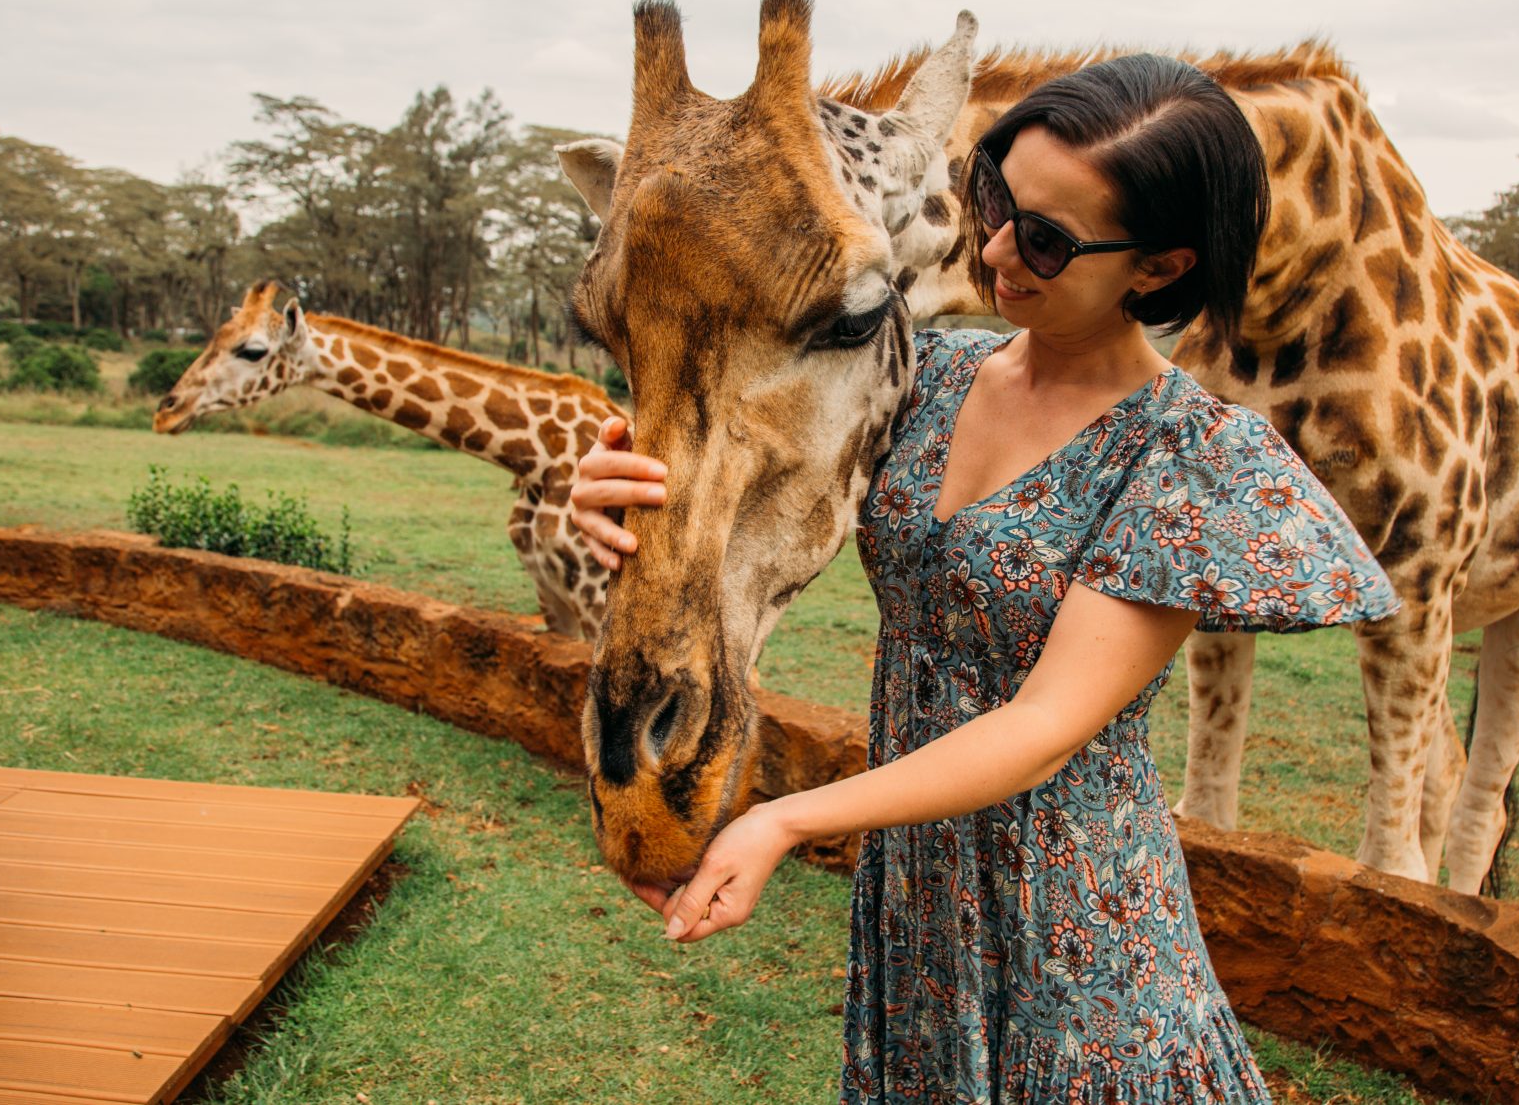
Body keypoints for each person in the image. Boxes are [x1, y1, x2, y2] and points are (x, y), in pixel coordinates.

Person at [571, 54, 1401, 1103]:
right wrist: (621, 492)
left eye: (1047, 238)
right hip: (917, 894)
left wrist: (783, 818)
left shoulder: (1180, 458)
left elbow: (1042, 726)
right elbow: (757, 484)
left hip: (1073, 924)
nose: (998, 247)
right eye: (996, 198)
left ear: (1156, 267)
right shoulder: (924, 375)